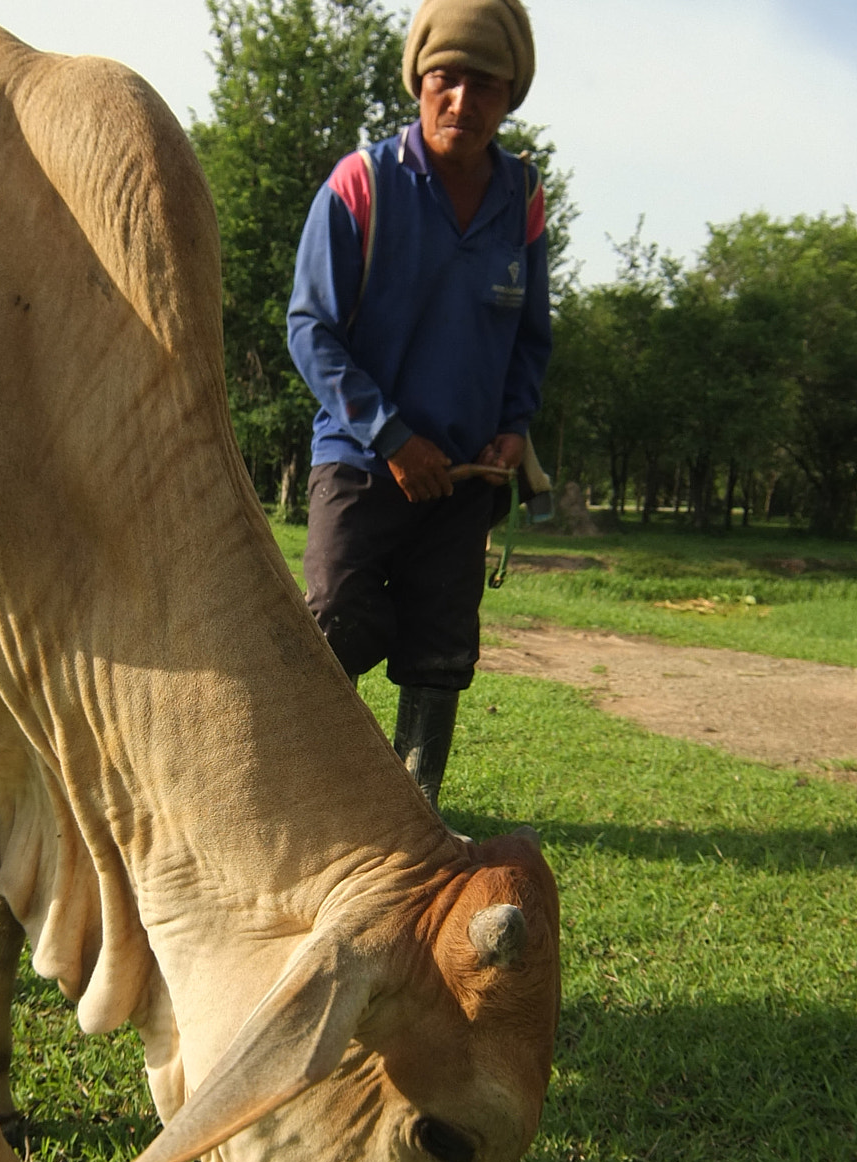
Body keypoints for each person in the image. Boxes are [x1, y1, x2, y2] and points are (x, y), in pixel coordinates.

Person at [286, 0, 550, 808]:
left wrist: (512, 429)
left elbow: (530, 338)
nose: (463, 102)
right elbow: (310, 329)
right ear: (419, 84)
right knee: (335, 625)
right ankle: (302, 796)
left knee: (441, 644)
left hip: (467, 472)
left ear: (510, 95)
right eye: (446, 80)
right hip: (365, 463)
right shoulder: (361, 184)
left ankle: (413, 805)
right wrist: (393, 436)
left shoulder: (523, 197)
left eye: (485, 85)